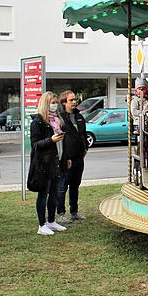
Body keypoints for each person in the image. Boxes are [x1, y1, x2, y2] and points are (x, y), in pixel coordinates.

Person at [30, 92, 67, 236]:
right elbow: (35, 145)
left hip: (56, 161)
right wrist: (50, 140)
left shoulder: (58, 120)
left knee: (54, 194)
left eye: (56, 102)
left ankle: (51, 221)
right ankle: (42, 224)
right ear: (45, 103)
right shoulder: (37, 122)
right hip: (43, 164)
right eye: (52, 102)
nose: (55, 105)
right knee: (43, 194)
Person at [57, 90, 87, 224]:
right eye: (71, 100)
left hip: (79, 157)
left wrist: (85, 148)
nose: (74, 102)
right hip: (67, 158)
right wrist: (66, 157)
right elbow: (61, 140)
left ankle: (74, 212)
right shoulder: (60, 118)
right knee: (63, 186)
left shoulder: (79, 116)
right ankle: (60, 213)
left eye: (75, 99)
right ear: (64, 103)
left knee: (75, 185)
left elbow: (83, 135)